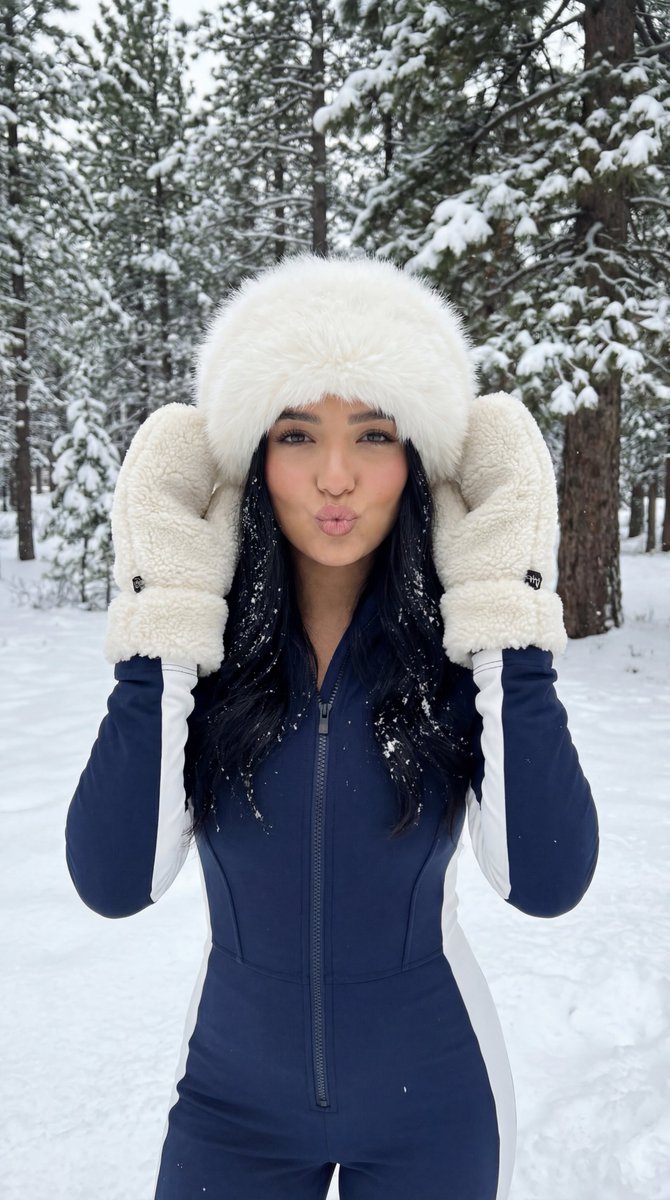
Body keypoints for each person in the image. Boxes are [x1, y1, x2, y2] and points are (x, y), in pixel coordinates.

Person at [65, 252, 599, 1200]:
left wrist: (505, 612)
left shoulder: (457, 656)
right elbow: (114, 882)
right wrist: (167, 609)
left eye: (376, 433)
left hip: (434, 1103)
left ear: (417, 459)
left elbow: (547, 881)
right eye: (299, 433)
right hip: (233, 1111)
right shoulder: (210, 655)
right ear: (255, 459)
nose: (338, 475)